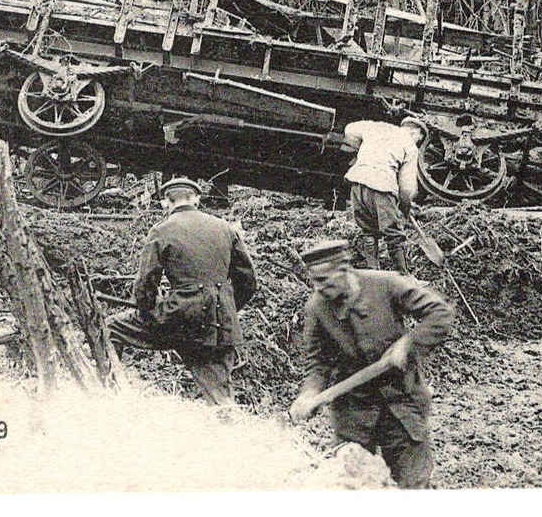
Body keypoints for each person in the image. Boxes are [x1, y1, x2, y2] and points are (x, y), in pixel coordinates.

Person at [287, 238, 455, 489]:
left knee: (413, 485)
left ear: (344, 269)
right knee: (351, 487)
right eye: (313, 281)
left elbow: (439, 313)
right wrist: (309, 394)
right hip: (353, 412)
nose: (318, 288)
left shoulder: (385, 284)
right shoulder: (317, 307)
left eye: (324, 280)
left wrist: (409, 343)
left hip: (402, 405)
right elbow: (317, 362)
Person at [107, 177, 258, 405]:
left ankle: (109, 395)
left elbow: (145, 285)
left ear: (166, 202)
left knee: (111, 328)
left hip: (177, 320)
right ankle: (227, 429)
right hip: (218, 326)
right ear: (197, 199)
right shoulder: (225, 228)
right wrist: (225, 309)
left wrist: (149, 311)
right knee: (220, 400)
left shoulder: (161, 230)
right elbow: (248, 282)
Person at [340, 116, 427, 272]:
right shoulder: (410, 146)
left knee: (368, 229)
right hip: (382, 185)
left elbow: (349, 128)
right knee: (393, 233)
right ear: (416, 133)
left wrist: (361, 150)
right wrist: (405, 209)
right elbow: (406, 188)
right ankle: (403, 275)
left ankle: (372, 269)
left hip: (357, 181)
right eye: (419, 140)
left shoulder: (375, 126)